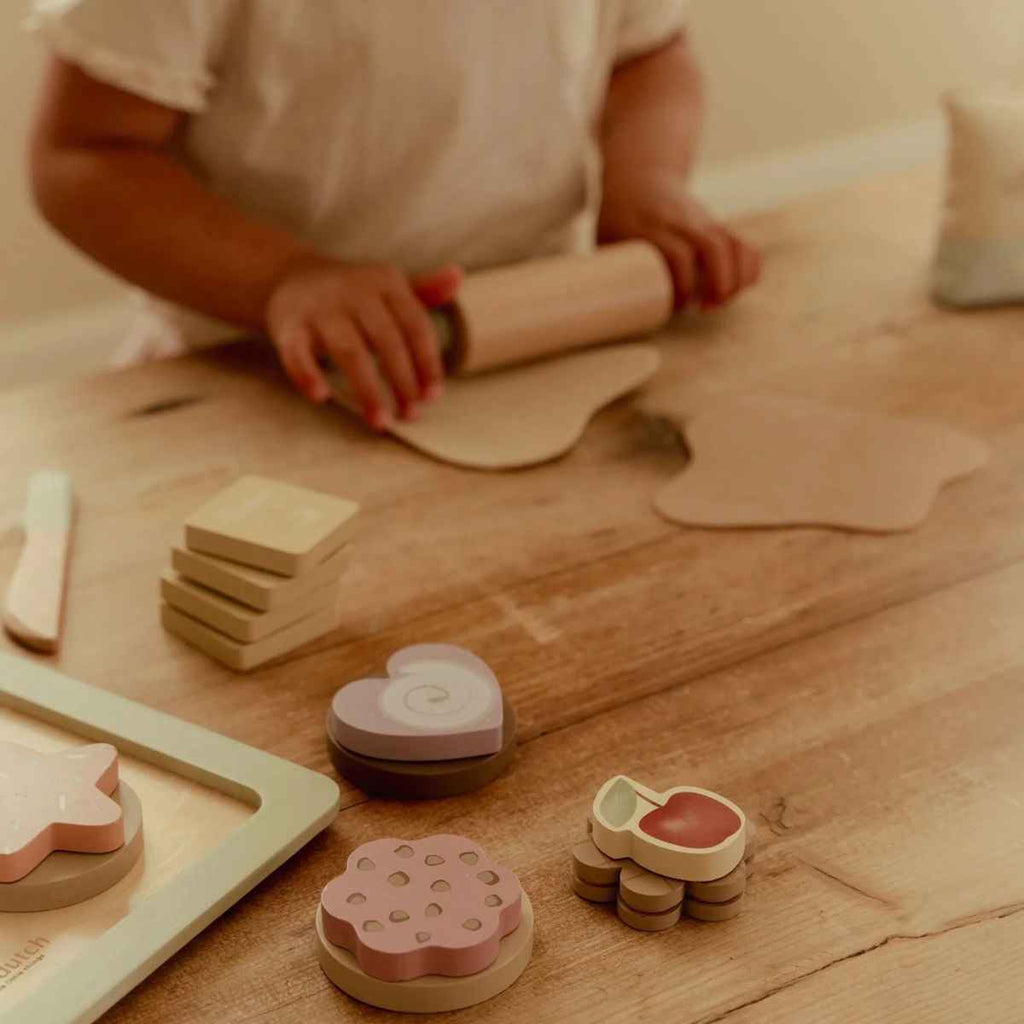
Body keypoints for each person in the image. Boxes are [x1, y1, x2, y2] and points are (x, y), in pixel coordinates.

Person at [28, 1, 761, 430]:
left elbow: (650, 55)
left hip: (535, 332)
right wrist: (285, 277)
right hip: (250, 374)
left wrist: (646, 177)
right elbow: (83, 157)